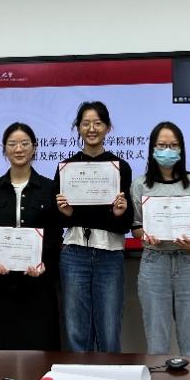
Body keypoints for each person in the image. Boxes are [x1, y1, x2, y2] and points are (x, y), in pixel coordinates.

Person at [54, 101, 133, 352]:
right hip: (74, 252)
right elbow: (59, 220)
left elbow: (125, 223)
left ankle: (110, 377)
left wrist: (118, 214)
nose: (91, 129)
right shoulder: (66, 168)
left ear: (108, 127)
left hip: (110, 253)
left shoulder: (120, 167)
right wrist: (68, 214)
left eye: (97, 123)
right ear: (78, 127)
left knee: (109, 330)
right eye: (86, 123)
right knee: (76, 331)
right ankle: (80, 376)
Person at [0, 122, 63, 350]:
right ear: (4, 149)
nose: (19, 149)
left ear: (34, 147)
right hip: (3, 282)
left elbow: (55, 234)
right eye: (12, 144)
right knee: (5, 346)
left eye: (25, 143)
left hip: (39, 282)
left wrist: (44, 264)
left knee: (41, 345)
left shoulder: (50, 187)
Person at [130, 121, 190, 356]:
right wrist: (146, 236)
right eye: (162, 145)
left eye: (173, 145)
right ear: (152, 149)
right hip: (154, 262)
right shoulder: (140, 184)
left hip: (189, 262)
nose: (167, 150)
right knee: (157, 343)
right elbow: (136, 227)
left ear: (181, 149)